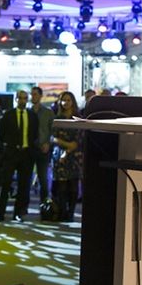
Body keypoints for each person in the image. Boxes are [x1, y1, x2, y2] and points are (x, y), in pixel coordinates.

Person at [0, 89, 38, 223]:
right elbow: (0, 135)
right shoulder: (8, 115)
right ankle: (0, 214)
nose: (23, 101)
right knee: (5, 184)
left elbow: (34, 135)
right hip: (11, 153)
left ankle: (18, 213)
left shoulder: (32, 116)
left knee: (23, 185)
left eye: (25, 98)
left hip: (26, 153)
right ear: (16, 99)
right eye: (20, 98)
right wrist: (7, 148)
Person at [50, 92, 82, 221]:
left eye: (68, 100)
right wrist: (63, 145)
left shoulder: (78, 118)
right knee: (61, 187)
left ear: (73, 102)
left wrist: (67, 149)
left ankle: (71, 213)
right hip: (59, 156)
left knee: (73, 186)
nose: (66, 103)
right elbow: (53, 138)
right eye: (63, 100)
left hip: (75, 156)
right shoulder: (57, 118)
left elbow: (77, 141)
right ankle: (62, 212)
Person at [30, 86, 55, 205]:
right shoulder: (27, 111)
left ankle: (44, 204)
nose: (33, 96)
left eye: (35, 94)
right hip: (28, 149)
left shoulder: (48, 112)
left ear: (40, 96)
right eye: (32, 94)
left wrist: (48, 144)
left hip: (43, 148)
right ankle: (23, 207)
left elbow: (53, 131)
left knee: (43, 178)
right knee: (25, 178)